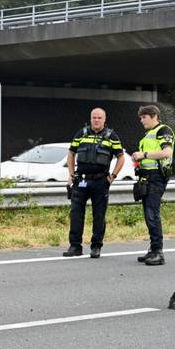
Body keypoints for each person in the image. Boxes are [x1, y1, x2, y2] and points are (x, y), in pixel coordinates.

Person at [63, 107, 125, 258]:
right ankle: (75, 246)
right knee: (76, 214)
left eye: (99, 118)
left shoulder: (111, 136)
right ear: (90, 119)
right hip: (81, 181)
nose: (96, 120)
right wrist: (71, 174)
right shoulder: (81, 133)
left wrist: (113, 177)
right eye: (94, 118)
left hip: (100, 181)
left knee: (99, 216)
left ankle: (96, 247)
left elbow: (121, 157)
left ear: (104, 120)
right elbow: (71, 154)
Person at [131, 104, 175, 266]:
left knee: (152, 214)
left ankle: (158, 252)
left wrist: (143, 155)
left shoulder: (163, 131)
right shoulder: (148, 134)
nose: (142, 120)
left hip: (156, 178)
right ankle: (153, 249)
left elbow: (166, 153)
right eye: (141, 118)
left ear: (154, 116)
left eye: (144, 117)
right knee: (148, 214)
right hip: (146, 178)